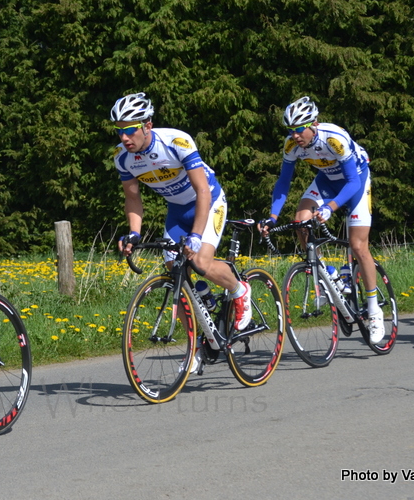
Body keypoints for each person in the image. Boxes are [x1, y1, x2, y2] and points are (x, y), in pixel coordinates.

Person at [110, 92, 251, 371]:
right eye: (119, 131)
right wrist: (134, 234)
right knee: (175, 271)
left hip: (208, 202)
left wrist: (197, 236)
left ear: (147, 125)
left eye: (129, 129)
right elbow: (133, 198)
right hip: (176, 211)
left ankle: (239, 290)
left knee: (199, 261)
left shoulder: (176, 141)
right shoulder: (123, 158)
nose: (124, 137)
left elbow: (202, 191)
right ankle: (198, 340)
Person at [257, 96, 385, 344]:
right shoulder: (291, 146)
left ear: (313, 123)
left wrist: (331, 207)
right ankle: (329, 277)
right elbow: (284, 183)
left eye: (299, 129)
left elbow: (352, 181)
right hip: (327, 180)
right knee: (300, 220)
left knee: (358, 246)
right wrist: (273, 216)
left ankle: (374, 310)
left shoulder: (333, 138)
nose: (295, 136)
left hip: (355, 181)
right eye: (290, 130)